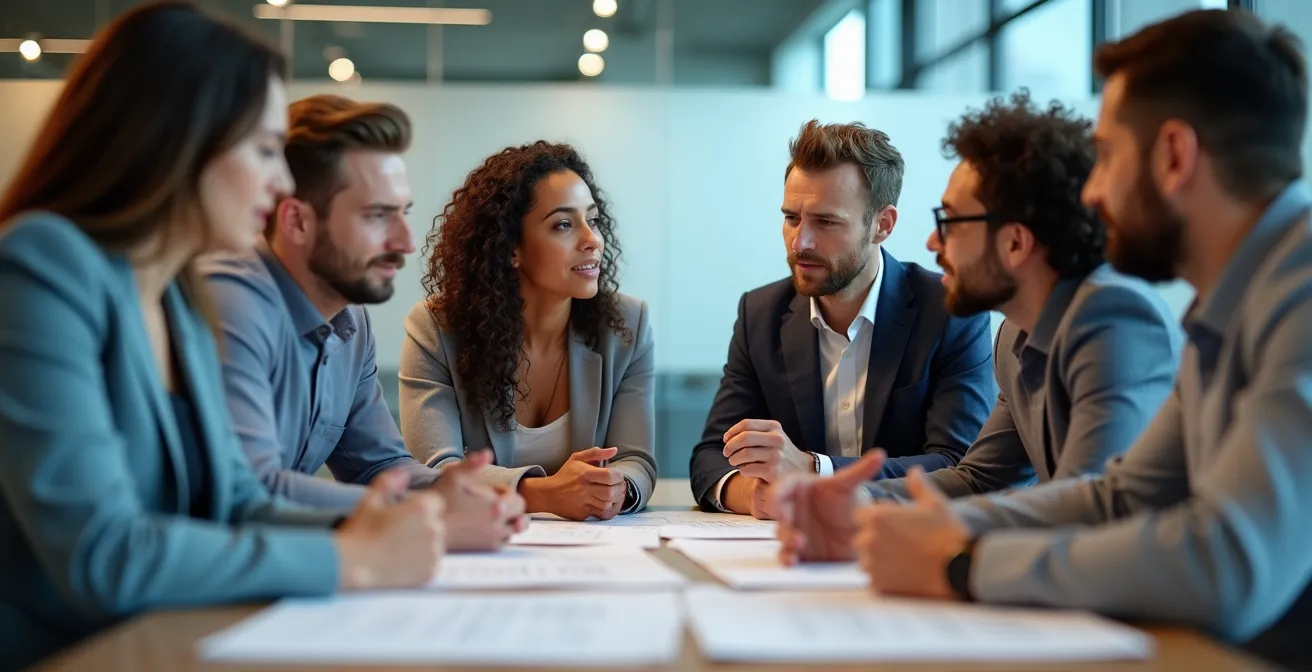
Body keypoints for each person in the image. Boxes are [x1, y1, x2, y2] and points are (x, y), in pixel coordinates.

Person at [796, 10, 1311, 669]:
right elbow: (1119, 495)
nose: (1092, 193)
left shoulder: (1293, 298)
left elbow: (1228, 562)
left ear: (1176, 155)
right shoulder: (1231, 303)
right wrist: (892, 520)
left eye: (1109, 157)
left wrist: (962, 562)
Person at [0, 3, 446, 668]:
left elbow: (235, 500)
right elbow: (104, 553)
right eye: (264, 149)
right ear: (178, 139)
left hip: (162, 642)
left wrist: (388, 526)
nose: (282, 181)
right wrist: (349, 557)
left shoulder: (178, 297)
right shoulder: (44, 265)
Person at [773, 92, 1183, 559]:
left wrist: (922, 536)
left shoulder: (1116, 319)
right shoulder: (1015, 334)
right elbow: (979, 478)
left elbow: (1092, 504)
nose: (932, 242)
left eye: (949, 221)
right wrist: (855, 501)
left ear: (1014, 243)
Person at [202, 94, 524, 551]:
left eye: (403, 213)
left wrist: (466, 495)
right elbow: (254, 488)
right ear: (296, 221)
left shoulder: (349, 319)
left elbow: (378, 466)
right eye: (377, 216)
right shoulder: (231, 301)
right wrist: (428, 515)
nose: (407, 242)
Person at [689, 120, 997, 517]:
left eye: (826, 222)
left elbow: (958, 463)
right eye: (791, 218)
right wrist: (756, 496)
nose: (801, 242)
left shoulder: (949, 308)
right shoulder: (760, 313)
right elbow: (711, 456)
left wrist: (816, 470)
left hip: (904, 534)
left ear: (882, 225)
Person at [399, 141, 656, 521]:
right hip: (479, 548)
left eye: (594, 220)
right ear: (510, 248)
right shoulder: (436, 328)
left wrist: (618, 488)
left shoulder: (626, 324)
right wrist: (542, 494)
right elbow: (435, 471)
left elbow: (637, 460)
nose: (592, 240)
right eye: (564, 225)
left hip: (591, 550)